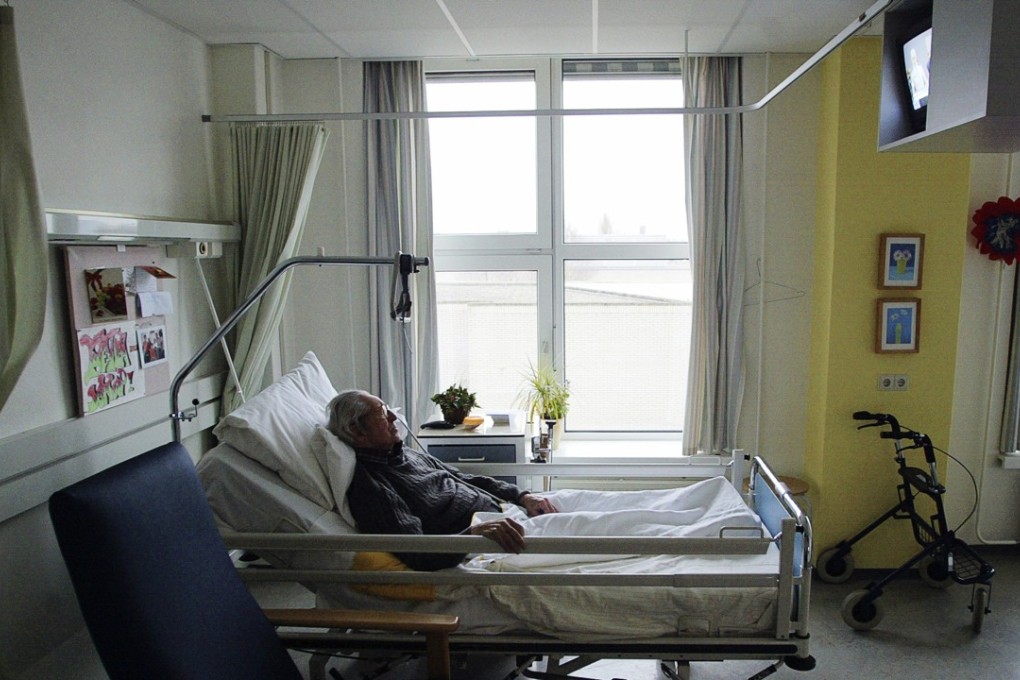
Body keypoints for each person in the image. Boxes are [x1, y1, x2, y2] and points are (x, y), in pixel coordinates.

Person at [326, 389, 558, 571]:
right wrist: (474, 534)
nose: (394, 417)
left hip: (509, 512)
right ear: (358, 432)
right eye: (382, 413)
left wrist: (522, 496)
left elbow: (463, 478)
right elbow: (418, 552)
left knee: (592, 506)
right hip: (492, 541)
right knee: (589, 528)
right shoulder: (373, 487)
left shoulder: (405, 454)